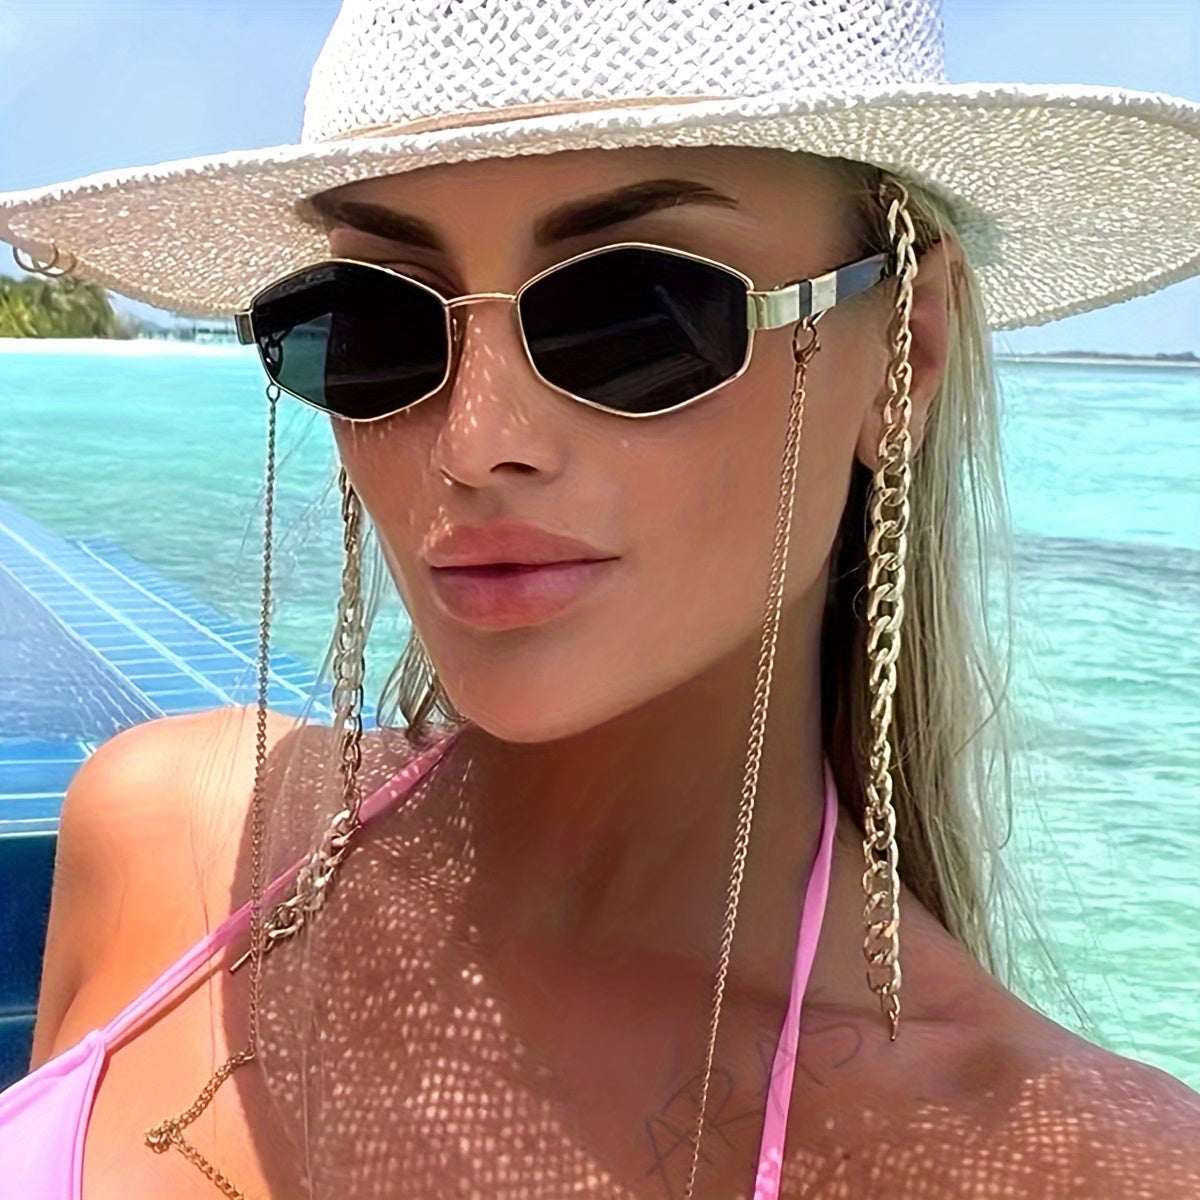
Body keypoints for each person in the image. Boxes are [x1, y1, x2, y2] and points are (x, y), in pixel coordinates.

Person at [0, 0, 1198, 1196]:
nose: (478, 444)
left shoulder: (1091, 1171)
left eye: (634, 319)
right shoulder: (158, 838)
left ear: (905, 358)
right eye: (374, 323)